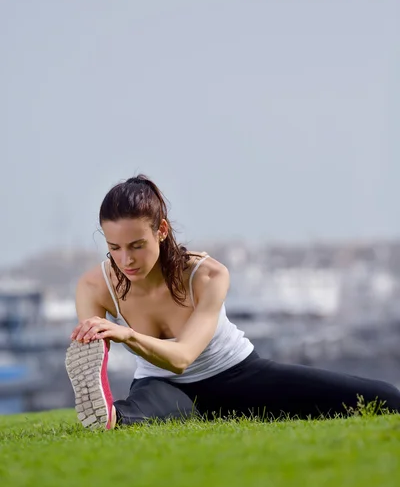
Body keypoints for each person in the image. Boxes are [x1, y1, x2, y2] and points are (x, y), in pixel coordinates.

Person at [65, 175, 400, 430]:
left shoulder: (207, 275)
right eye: (115, 247)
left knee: (386, 398)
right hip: (163, 385)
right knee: (131, 413)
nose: (126, 259)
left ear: (162, 230)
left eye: (136, 245)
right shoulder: (95, 286)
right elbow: (96, 361)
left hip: (237, 375)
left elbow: (182, 357)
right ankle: (113, 415)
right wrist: (93, 344)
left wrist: (127, 335)